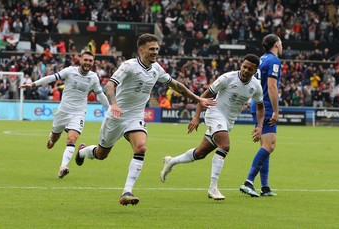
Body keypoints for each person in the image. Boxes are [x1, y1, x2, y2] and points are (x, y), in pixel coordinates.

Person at [74, 33, 215, 206]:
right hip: (116, 116)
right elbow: (110, 85)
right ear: (141, 50)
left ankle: (127, 191)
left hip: (135, 116)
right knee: (101, 154)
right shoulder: (128, 66)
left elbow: (176, 85)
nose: (155, 52)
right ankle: (82, 152)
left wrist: (198, 98)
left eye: (157, 49)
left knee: (140, 148)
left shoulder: (157, 69)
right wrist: (114, 104)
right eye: (152, 49)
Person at [160, 54, 264, 201]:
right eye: (244, 67)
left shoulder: (256, 86)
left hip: (228, 121)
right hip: (215, 113)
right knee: (225, 146)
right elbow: (204, 96)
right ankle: (213, 188)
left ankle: (171, 161)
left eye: (250, 69)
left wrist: (259, 126)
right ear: (241, 65)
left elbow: (260, 106)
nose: (246, 70)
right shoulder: (227, 78)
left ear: (255, 71)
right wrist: (196, 117)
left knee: (200, 153)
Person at [19, 51, 109, 178]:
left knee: (72, 139)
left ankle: (63, 167)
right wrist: (34, 84)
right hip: (63, 111)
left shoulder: (93, 77)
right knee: (55, 137)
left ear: (93, 62)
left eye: (90, 61)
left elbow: (101, 95)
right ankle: (51, 139)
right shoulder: (70, 71)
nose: (88, 63)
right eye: (86, 60)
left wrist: (109, 110)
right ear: (81, 60)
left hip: (79, 112)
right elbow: (51, 77)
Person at [239, 33, 282, 197]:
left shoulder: (261, 59)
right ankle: (248, 182)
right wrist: (276, 110)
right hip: (266, 107)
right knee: (269, 146)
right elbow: (271, 87)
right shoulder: (274, 61)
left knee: (265, 147)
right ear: (276, 44)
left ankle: (265, 187)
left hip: (256, 105)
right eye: (281, 43)